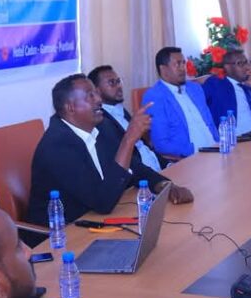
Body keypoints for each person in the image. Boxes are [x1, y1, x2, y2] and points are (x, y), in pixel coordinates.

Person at [26, 74, 193, 227]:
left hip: (96, 219)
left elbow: (133, 166)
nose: (99, 99)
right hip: (61, 233)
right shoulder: (57, 147)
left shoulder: (102, 126)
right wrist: (128, 139)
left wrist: (164, 185)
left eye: (96, 94)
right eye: (90, 96)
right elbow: (102, 202)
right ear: (70, 108)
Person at [142, 46, 219, 158]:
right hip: (191, 157)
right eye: (177, 64)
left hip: (216, 150)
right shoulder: (154, 97)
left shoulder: (195, 88)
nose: (183, 68)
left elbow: (210, 123)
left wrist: (220, 143)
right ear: (163, 69)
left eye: (183, 63)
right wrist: (194, 150)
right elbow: (161, 144)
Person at [88, 64, 164, 171]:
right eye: (112, 83)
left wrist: (167, 164)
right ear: (97, 90)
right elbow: (127, 161)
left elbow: (144, 146)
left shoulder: (121, 110)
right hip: (144, 176)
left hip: (159, 169)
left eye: (118, 81)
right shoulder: (100, 122)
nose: (118, 86)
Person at [203, 49, 251, 134]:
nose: (247, 67)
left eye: (247, 62)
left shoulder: (249, 86)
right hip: (235, 138)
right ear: (227, 67)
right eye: (240, 63)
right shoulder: (215, 84)